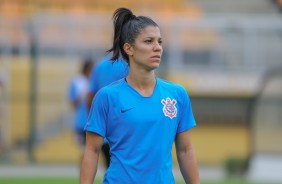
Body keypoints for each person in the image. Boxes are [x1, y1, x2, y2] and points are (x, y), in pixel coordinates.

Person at [80, 7, 200, 184]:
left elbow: (185, 150)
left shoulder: (177, 95)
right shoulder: (107, 97)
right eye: (148, 41)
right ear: (129, 48)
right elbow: (92, 151)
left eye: (160, 42)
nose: (157, 48)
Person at [87, 55, 129, 168]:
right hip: (125, 128)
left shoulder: (100, 66)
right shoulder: (129, 65)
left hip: (105, 128)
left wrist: (92, 119)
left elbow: (90, 95)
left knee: (110, 167)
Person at [68, 58, 93, 146]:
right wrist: (82, 97)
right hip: (81, 122)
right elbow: (73, 102)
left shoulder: (95, 81)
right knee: (85, 149)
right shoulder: (77, 82)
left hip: (94, 122)